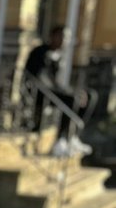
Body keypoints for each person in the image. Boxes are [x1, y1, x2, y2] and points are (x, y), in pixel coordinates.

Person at [23, 26, 91, 155]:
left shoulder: (58, 55)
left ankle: (73, 137)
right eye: (61, 37)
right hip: (39, 92)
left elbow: (55, 81)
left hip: (51, 91)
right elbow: (39, 78)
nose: (64, 41)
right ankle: (60, 140)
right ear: (52, 37)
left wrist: (73, 91)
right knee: (71, 100)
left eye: (66, 38)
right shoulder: (41, 52)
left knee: (88, 96)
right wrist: (67, 93)